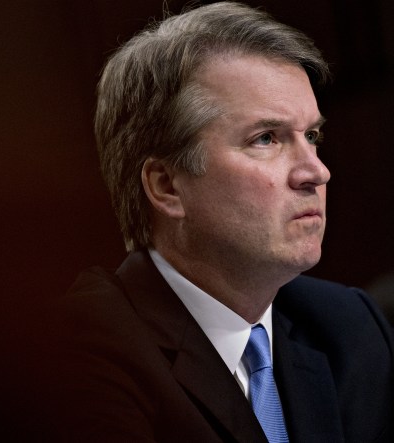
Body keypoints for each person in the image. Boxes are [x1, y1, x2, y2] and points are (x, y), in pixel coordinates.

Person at [49, 2, 394, 442]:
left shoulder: (348, 327)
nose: (317, 172)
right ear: (167, 186)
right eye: (266, 138)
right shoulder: (81, 354)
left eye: (311, 136)